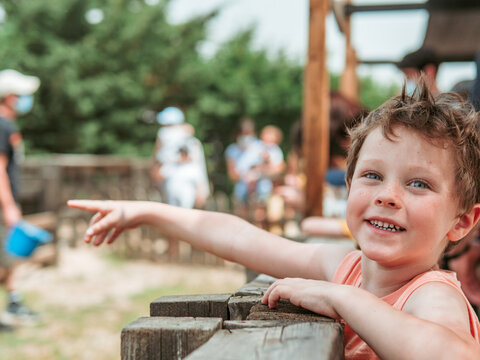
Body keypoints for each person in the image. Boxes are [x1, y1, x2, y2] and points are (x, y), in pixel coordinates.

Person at [68, 77, 480, 358]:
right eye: (372, 176)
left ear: (462, 221)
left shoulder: (432, 294)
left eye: (419, 184)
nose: (388, 196)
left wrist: (343, 298)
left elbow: (454, 354)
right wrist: (149, 211)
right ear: (350, 184)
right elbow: (240, 238)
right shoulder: (347, 266)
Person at [0, 69, 40, 331]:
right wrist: (9, 206)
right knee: (6, 257)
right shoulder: (2, 125)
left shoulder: (8, 125)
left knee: (10, 257)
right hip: (4, 206)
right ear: (10, 97)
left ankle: (14, 301)